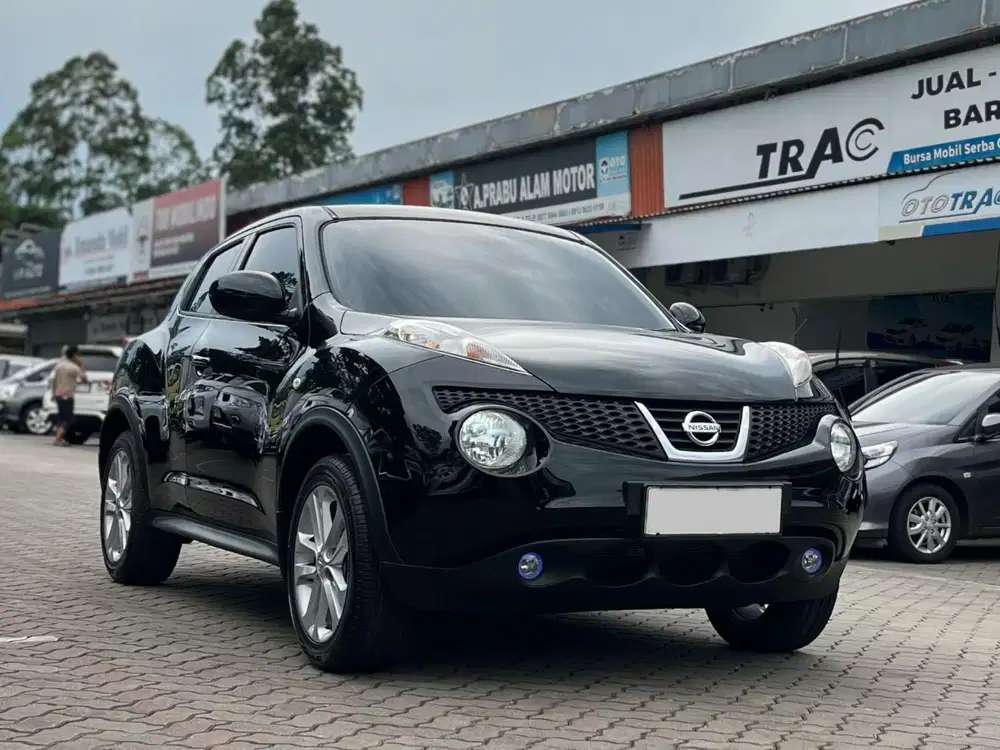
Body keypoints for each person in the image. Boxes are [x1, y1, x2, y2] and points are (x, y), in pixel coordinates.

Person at [51, 345, 87, 446]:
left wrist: (53, 393)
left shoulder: (59, 365)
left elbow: (54, 381)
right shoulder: (73, 367)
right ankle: (58, 439)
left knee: (61, 417)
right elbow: (84, 379)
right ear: (74, 355)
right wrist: (81, 365)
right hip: (67, 395)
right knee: (68, 418)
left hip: (58, 393)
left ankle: (60, 438)